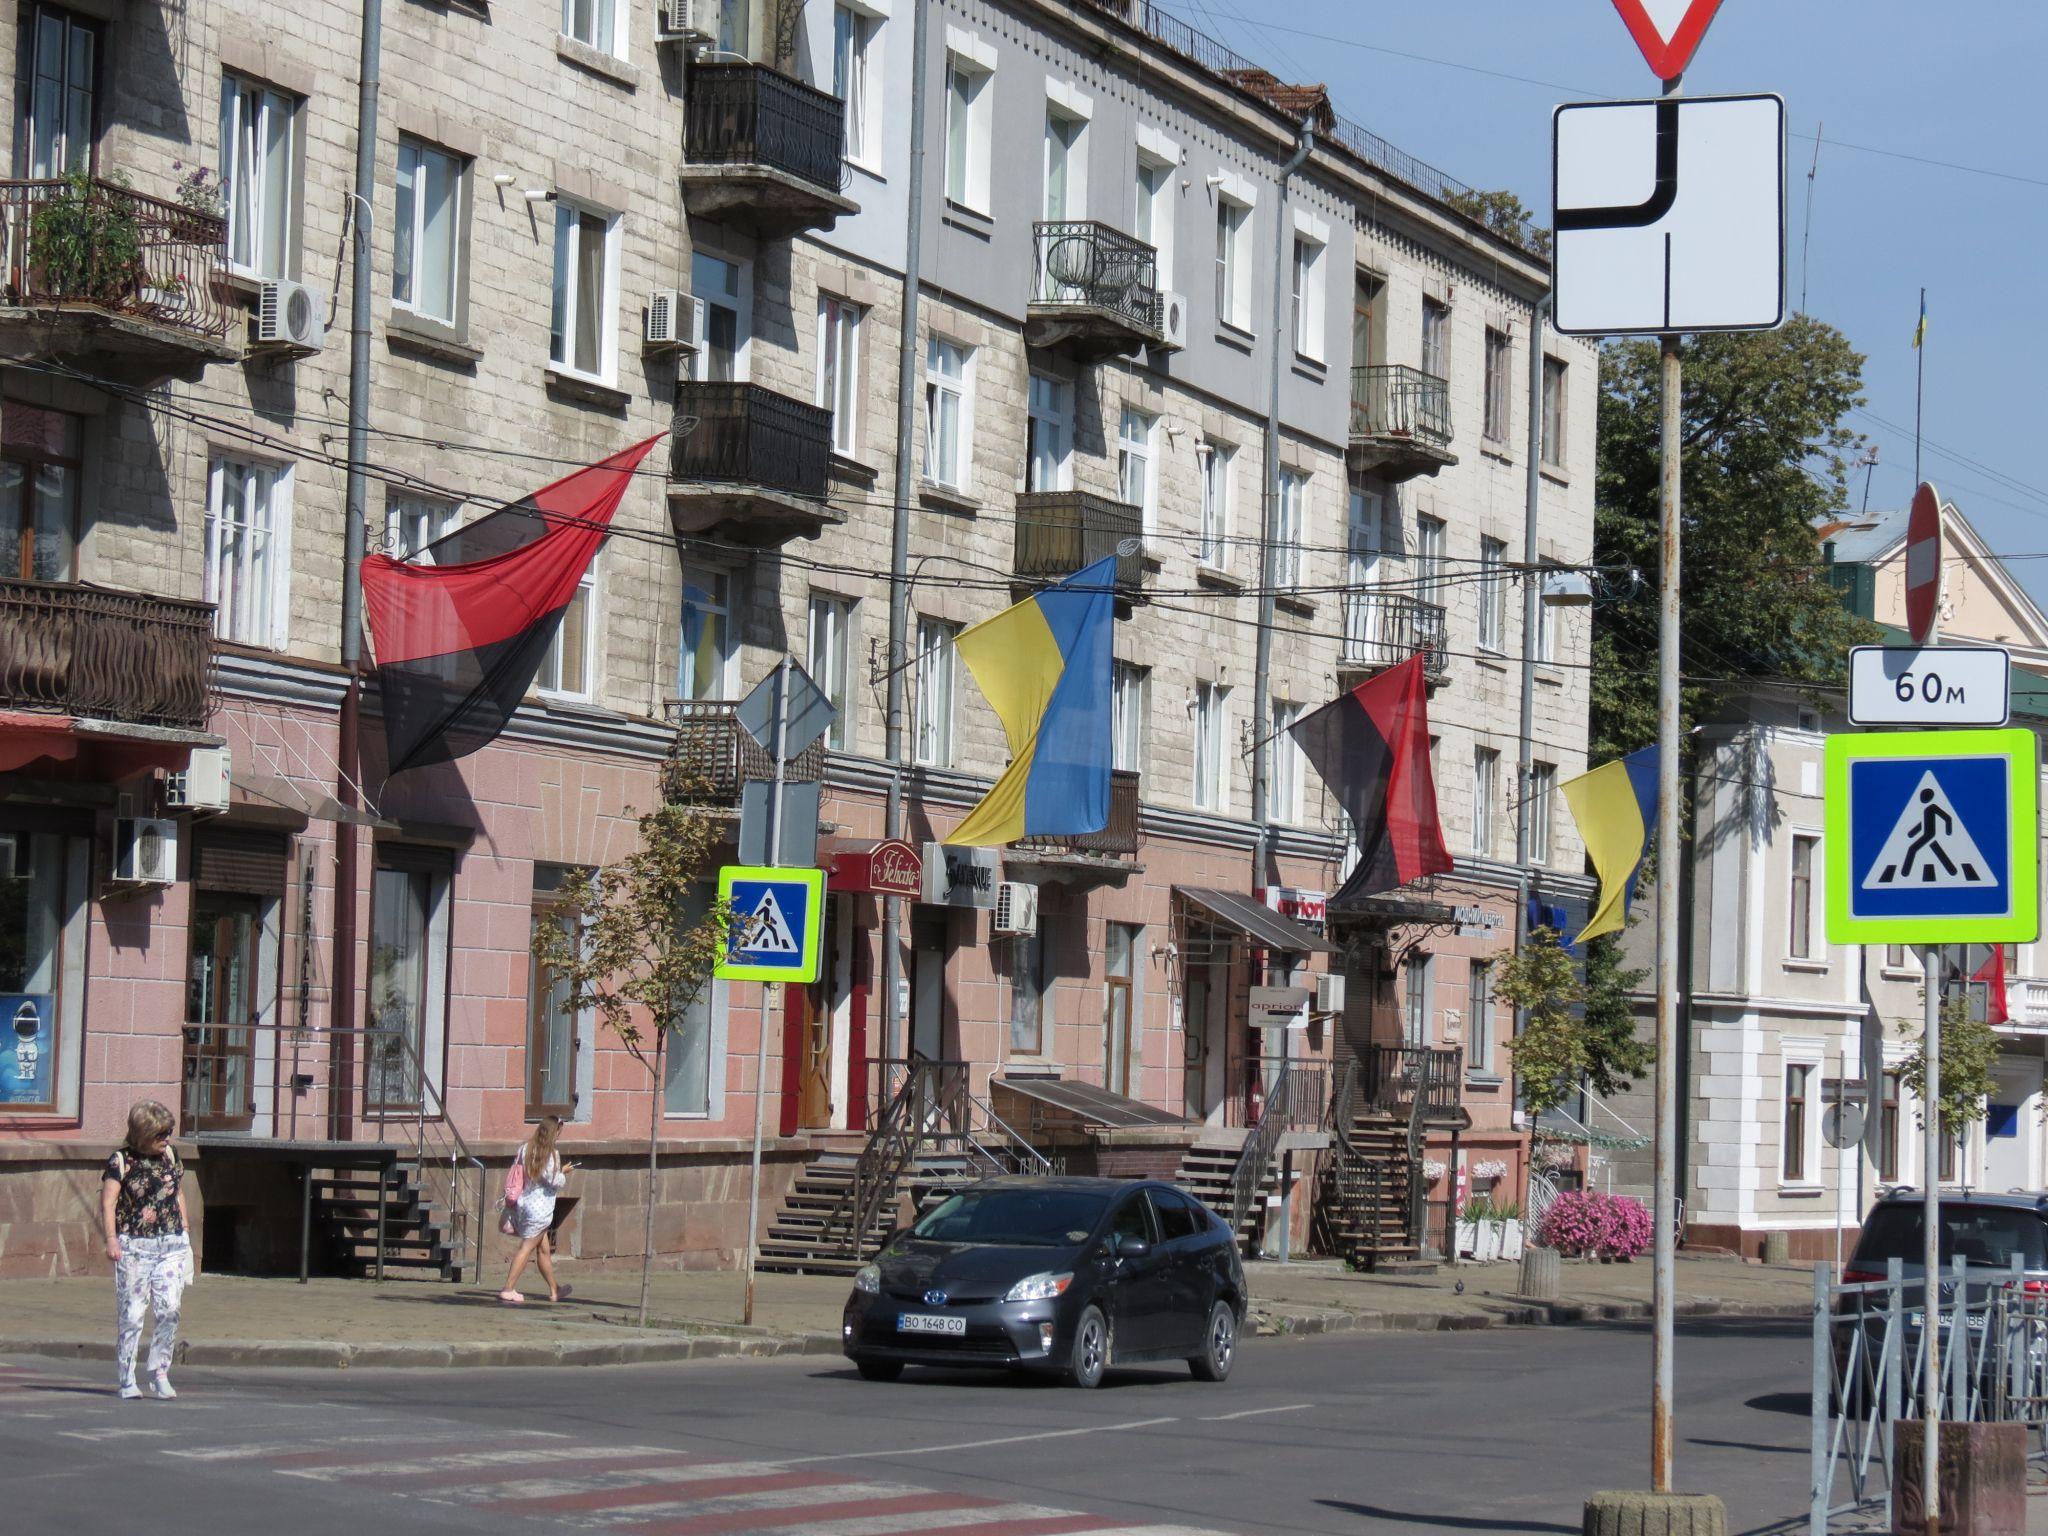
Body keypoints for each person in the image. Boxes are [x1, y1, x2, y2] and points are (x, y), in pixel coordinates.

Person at [100, 1100, 194, 1400]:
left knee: (169, 1309)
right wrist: (111, 1239)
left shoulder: (170, 1155)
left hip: (171, 1243)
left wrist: (186, 1231)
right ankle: (127, 1376)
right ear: (142, 1134)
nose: (166, 1138)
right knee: (132, 1313)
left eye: (169, 1132)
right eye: (160, 1134)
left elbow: (177, 1191)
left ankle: (159, 1371)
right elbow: (108, 1202)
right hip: (134, 1245)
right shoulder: (121, 1161)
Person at [498, 1115, 573, 1304]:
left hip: (525, 1204)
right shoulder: (551, 1154)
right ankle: (508, 1288)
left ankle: (554, 1289)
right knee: (526, 1248)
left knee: (543, 1250)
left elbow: (520, 1173)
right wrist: (563, 1173)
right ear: (553, 1132)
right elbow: (554, 1181)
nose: (559, 1136)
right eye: (558, 1132)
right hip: (541, 1210)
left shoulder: (525, 1149)